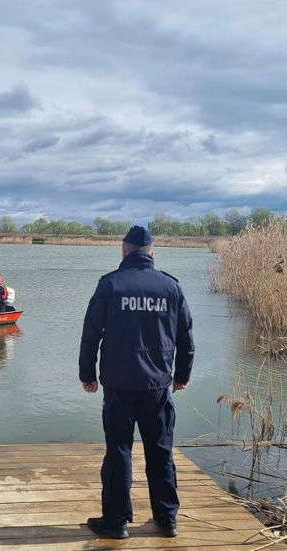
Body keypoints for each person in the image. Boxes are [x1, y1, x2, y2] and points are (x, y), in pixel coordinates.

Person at [78, 225, 194, 540]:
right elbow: (186, 336)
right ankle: (167, 519)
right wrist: (182, 374)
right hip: (157, 385)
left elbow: (91, 334)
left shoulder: (110, 285)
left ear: (124, 251)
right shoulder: (171, 287)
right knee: (160, 451)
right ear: (152, 254)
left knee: (118, 451)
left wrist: (87, 374)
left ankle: (115, 522)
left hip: (119, 384)